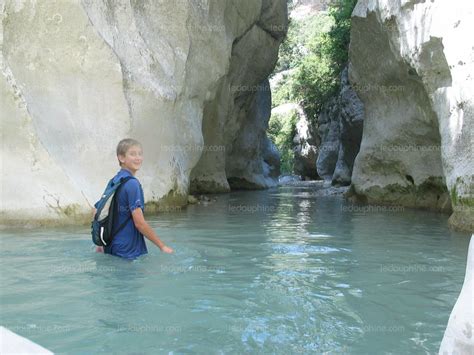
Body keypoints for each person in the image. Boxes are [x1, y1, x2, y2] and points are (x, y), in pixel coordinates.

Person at [94, 138, 173, 259]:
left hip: (111, 247)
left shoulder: (115, 180)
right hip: (128, 251)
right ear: (121, 158)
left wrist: (100, 243)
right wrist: (162, 246)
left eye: (140, 154)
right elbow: (139, 223)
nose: (138, 158)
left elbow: (97, 210)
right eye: (132, 154)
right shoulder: (132, 184)